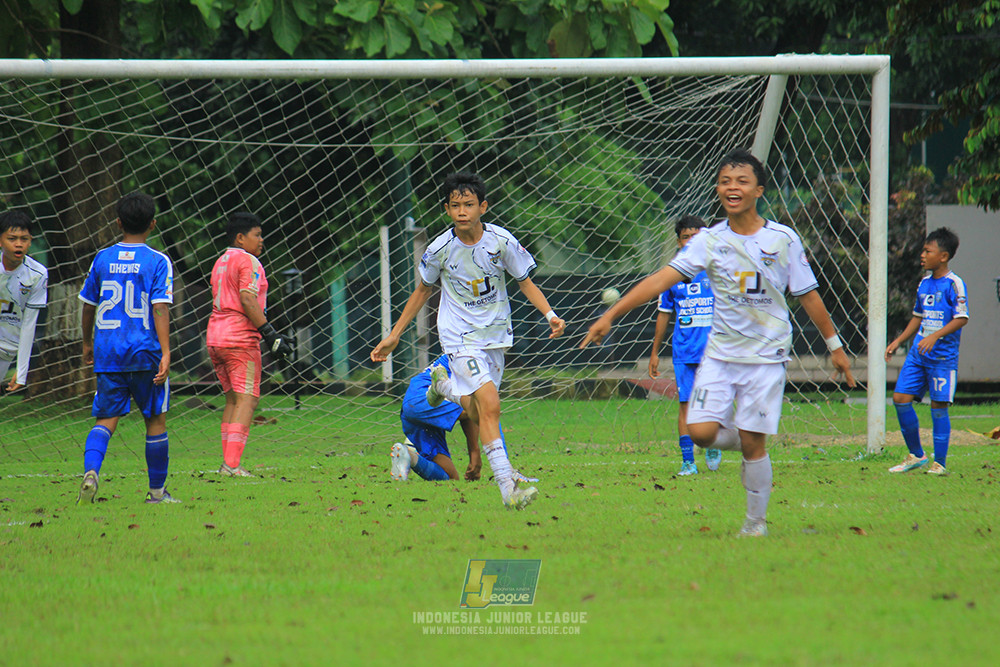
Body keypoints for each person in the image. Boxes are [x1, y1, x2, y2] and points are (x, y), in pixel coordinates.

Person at [581, 148, 855, 536]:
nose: (733, 187)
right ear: (718, 189)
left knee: (753, 444)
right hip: (720, 356)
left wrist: (835, 346)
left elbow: (809, 295)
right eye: (726, 181)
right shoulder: (708, 241)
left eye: (742, 181)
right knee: (700, 432)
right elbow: (662, 279)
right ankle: (741, 440)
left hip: (766, 357)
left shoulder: (782, 240)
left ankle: (755, 522)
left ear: (759, 189)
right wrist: (611, 315)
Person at [372, 172, 565, 509]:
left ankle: (444, 390)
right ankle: (508, 489)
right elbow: (422, 290)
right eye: (455, 205)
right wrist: (395, 335)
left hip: (495, 338)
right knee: (490, 405)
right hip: (459, 338)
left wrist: (550, 315)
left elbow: (524, 281)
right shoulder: (440, 250)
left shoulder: (501, 242)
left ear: (483, 207)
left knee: (478, 411)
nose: (462, 211)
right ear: (447, 209)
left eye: (469, 205)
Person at [77, 192, 178, 505]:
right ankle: (157, 493)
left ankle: (92, 471)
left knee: (105, 420)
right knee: (155, 421)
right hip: (145, 351)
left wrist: (87, 341)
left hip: (109, 352)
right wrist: (166, 350)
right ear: (153, 224)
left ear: (118, 222)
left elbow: (88, 306)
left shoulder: (102, 259)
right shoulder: (158, 261)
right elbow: (160, 307)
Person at [207, 212, 292, 477]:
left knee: (232, 400)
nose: (261, 240)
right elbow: (247, 297)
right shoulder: (249, 261)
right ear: (241, 238)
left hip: (214, 336)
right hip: (239, 338)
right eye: (257, 234)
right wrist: (269, 332)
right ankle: (232, 465)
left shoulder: (220, 261)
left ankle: (227, 463)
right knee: (248, 399)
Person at [885, 227, 968, 476]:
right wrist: (898, 340)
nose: (922, 255)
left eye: (927, 251)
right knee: (900, 398)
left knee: (938, 406)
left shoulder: (955, 284)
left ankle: (939, 463)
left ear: (943, 256)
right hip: (918, 354)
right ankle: (916, 455)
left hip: (942, 358)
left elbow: (962, 318)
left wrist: (935, 336)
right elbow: (918, 317)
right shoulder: (923, 283)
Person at [390, 354, 539, 484]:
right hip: (424, 394)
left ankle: (407, 455)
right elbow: (472, 408)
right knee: (486, 408)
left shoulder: (471, 353)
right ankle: (508, 472)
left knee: (450, 478)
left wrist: (474, 455)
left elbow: (467, 405)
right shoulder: (470, 356)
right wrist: (474, 454)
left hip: (413, 404)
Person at [647, 215, 719, 476]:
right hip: (684, 351)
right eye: (686, 237)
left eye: (696, 236)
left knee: (714, 404)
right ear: (678, 242)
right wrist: (655, 352)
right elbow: (664, 314)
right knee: (685, 406)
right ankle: (688, 461)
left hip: (715, 351)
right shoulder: (671, 275)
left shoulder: (717, 270)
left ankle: (712, 443)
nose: (691, 241)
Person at [0, 211, 48, 394]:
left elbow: (29, 324)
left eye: (24, 239)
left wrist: (21, 372)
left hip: (7, 348)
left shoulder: (37, 274)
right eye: (12, 239)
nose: (19, 244)